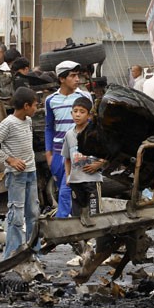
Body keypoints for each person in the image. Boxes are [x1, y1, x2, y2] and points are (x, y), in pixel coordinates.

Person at [0, 87, 40, 259]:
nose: (36, 109)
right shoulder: (8, 123)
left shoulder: (28, 121)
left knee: (33, 214)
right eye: (35, 105)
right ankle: (12, 256)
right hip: (16, 176)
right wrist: (10, 160)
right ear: (26, 106)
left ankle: (33, 252)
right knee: (16, 216)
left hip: (31, 173)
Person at [45, 60, 93, 218]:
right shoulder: (51, 100)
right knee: (65, 191)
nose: (77, 79)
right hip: (58, 154)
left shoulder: (84, 97)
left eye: (77, 75)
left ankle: (61, 223)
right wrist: (49, 154)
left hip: (78, 153)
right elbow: (49, 127)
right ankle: (78, 232)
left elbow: (91, 126)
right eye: (72, 76)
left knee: (67, 190)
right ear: (62, 79)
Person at [61, 96, 106, 220]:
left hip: (92, 180)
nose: (78, 115)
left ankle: (94, 239)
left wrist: (99, 164)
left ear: (89, 115)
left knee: (94, 214)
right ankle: (81, 240)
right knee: (78, 215)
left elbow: (108, 154)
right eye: (75, 111)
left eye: (82, 111)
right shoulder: (69, 135)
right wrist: (68, 176)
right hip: (75, 181)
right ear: (71, 113)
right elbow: (67, 158)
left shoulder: (96, 133)